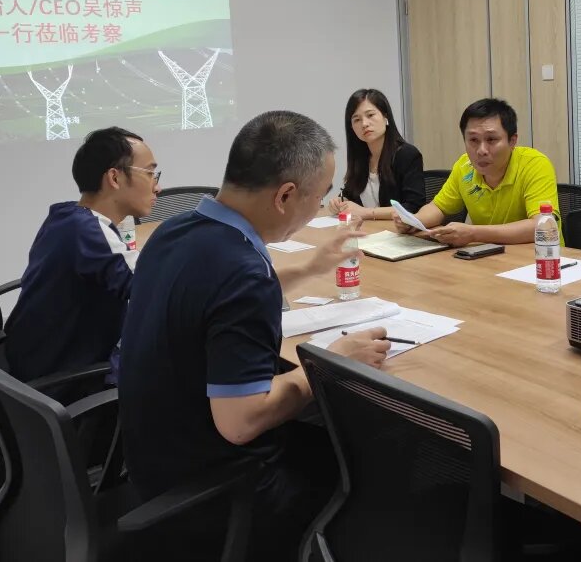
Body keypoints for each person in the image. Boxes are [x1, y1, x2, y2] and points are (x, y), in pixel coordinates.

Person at [119, 110, 391, 561]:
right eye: (321, 195)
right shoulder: (241, 271)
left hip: (154, 461)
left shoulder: (175, 231)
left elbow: (215, 300)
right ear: (285, 195)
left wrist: (309, 267)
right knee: (378, 466)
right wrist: (331, 363)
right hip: (221, 492)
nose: (321, 207)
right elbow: (242, 421)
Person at [5, 126, 161, 382]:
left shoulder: (67, 218)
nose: (158, 187)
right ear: (115, 178)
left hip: (37, 364)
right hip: (67, 379)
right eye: (150, 173)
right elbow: (153, 288)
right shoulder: (88, 232)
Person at [395, 97, 562, 247]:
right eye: (473, 140)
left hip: (542, 259)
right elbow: (438, 207)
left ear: (512, 141)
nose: (481, 150)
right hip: (490, 257)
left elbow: (542, 226)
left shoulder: (534, 164)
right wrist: (414, 221)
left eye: (491, 139)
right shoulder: (464, 167)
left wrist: (474, 233)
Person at [328, 88, 425, 220]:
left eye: (370, 115)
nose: (364, 124)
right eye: (357, 120)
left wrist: (367, 212)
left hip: (397, 230)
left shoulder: (406, 154)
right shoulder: (361, 157)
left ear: (385, 117)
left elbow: (414, 207)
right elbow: (350, 194)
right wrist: (339, 202)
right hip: (369, 230)